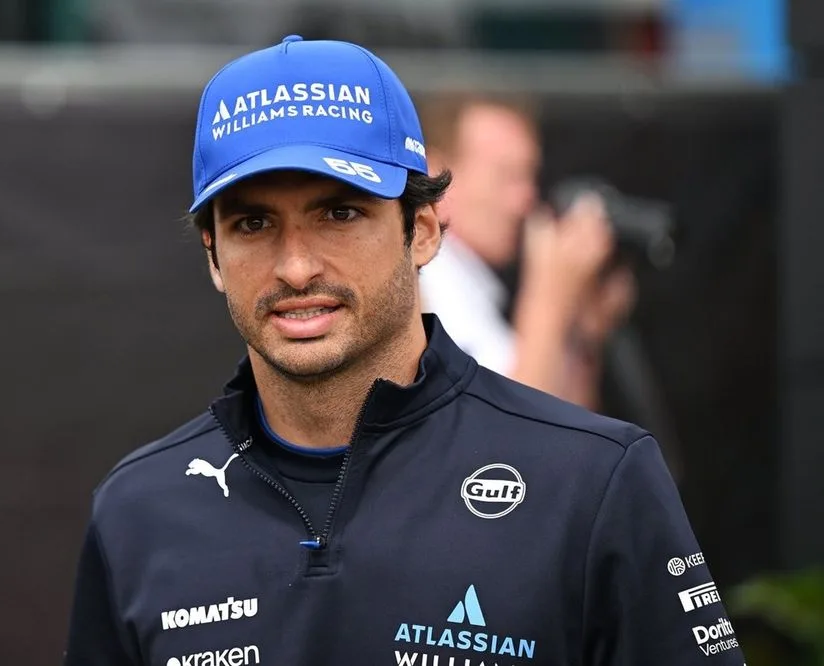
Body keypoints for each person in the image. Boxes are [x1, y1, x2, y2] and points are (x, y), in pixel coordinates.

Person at [64, 36, 744, 666]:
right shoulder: (136, 512)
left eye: (339, 213)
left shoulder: (598, 480)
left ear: (422, 230)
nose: (296, 267)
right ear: (213, 255)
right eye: (253, 222)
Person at [418, 94, 636, 410]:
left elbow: (566, 427)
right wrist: (550, 293)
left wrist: (580, 331)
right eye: (506, 176)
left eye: (530, 176)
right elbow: (511, 424)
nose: (526, 200)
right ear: (435, 175)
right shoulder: (426, 280)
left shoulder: (470, 287)